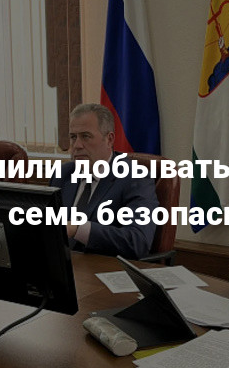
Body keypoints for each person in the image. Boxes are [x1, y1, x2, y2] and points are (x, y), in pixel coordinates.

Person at [49, 104, 159, 259]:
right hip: (62, 265)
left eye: (86, 136)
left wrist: (78, 228)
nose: (77, 145)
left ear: (109, 139)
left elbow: (137, 242)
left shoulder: (135, 178)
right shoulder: (63, 174)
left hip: (104, 269)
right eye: (73, 137)